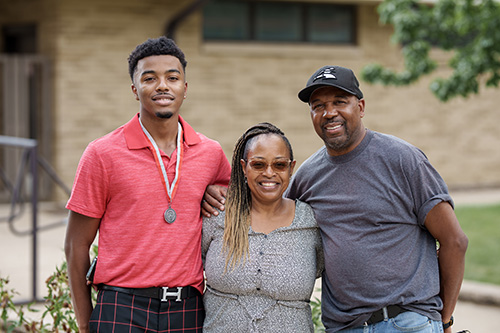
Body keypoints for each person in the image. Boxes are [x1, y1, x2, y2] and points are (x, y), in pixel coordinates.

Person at [202, 66, 468, 333]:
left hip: (406, 322)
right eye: (318, 105)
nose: (329, 113)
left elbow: (454, 241)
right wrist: (216, 192)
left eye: (340, 102)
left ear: (361, 106)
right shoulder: (308, 176)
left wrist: (443, 319)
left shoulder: (403, 160)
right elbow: (271, 206)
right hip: (344, 327)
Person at [64, 36, 231, 333]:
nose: (162, 86)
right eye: (150, 78)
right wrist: (85, 322)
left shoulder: (211, 154)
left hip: (187, 307)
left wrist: (215, 192)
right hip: (121, 306)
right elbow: (76, 245)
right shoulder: (101, 154)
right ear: (135, 89)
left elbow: (234, 204)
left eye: (172, 77)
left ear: (185, 88)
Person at [202, 122, 324, 332]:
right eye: (258, 165)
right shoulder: (217, 215)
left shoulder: (311, 222)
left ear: (291, 168)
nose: (269, 173)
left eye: (279, 165)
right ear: (243, 167)